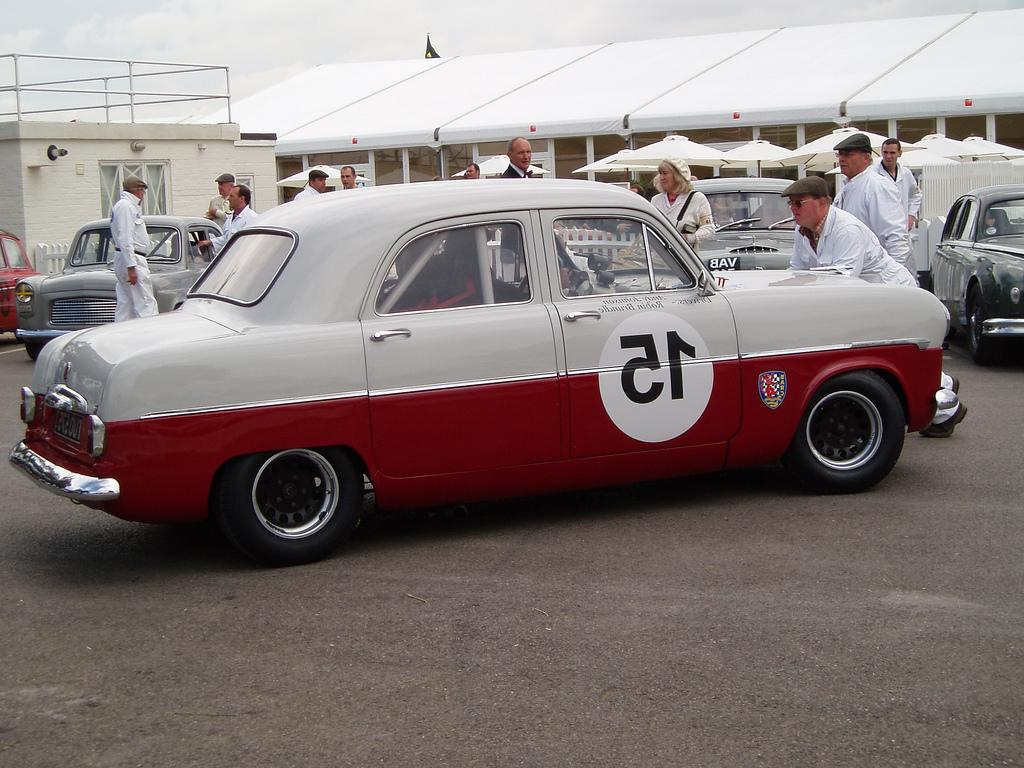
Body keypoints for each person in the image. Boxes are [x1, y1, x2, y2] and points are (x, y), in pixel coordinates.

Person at [781, 176, 966, 437]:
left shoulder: (847, 229)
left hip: (894, 299)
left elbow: (843, 279)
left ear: (822, 202)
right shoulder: (803, 232)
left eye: (799, 203)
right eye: (791, 204)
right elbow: (798, 270)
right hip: (869, 302)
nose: (793, 209)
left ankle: (948, 410)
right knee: (892, 361)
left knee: (897, 361)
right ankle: (944, 383)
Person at [832, 133, 913, 272]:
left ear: (866, 157)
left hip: (878, 275)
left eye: (848, 154)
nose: (842, 159)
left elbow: (896, 236)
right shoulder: (847, 188)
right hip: (858, 272)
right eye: (839, 154)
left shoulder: (877, 186)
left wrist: (893, 276)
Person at [111, 175, 158, 321]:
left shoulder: (122, 206)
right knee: (145, 303)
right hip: (133, 259)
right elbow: (125, 237)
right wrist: (131, 266)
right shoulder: (126, 206)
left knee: (126, 305)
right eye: (143, 192)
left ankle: (121, 336)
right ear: (138, 191)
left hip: (125, 257)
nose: (143, 196)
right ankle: (150, 335)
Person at [650, 159, 714, 249]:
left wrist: (688, 238)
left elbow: (709, 230)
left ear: (677, 176)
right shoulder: (655, 200)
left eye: (665, 173)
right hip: (659, 259)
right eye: (660, 173)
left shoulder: (697, 198)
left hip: (684, 259)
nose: (661, 177)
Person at [198, 184, 258, 256]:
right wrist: (209, 242)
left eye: (232, 196)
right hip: (230, 260)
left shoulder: (252, 218)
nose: (228, 199)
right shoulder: (230, 218)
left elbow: (253, 244)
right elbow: (226, 239)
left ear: (242, 198)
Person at [876, 138, 923, 229]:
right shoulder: (873, 174)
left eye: (892, 153)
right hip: (881, 227)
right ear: (881, 152)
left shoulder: (906, 173)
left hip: (902, 227)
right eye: (885, 152)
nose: (888, 156)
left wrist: (911, 216)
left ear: (899, 153)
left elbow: (916, 195)